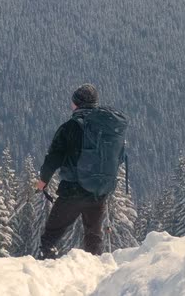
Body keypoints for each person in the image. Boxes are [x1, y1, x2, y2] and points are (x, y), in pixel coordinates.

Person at [36, 83, 124, 260]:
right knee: (94, 237)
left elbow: (54, 156)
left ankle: (44, 267)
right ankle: (95, 274)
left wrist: (42, 181)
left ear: (77, 103)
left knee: (52, 234)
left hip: (73, 191)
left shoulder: (71, 126)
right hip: (99, 191)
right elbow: (119, 157)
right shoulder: (106, 128)